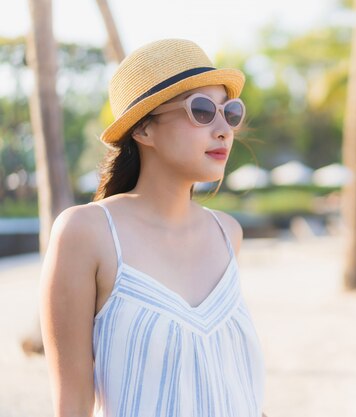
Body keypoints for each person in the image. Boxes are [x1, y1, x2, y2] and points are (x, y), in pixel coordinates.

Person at [39, 38, 268, 417]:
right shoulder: (86, 232)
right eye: (201, 110)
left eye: (230, 113)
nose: (223, 129)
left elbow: (235, 386)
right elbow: (72, 407)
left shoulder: (228, 234)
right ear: (143, 129)